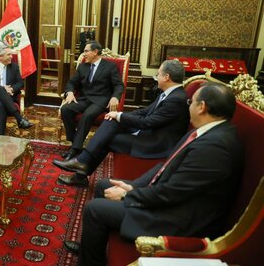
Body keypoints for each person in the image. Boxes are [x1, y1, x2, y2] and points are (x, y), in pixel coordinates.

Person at [63, 82, 243, 266]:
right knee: (104, 186)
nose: (188, 105)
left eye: (191, 102)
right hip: (174, 200)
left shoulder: (215, 147)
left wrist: (128, 194)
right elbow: (165, 166)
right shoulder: (208, 132)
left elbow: (172, 193)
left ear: (202, 107)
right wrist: (133, 186)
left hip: (179, 219)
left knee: (95, 209)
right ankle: (91, 248)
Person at [54, 59, 189, 187]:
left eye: (158, 74)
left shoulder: (176, 99)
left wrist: (120, 116)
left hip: (156, 144)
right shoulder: (170, 94)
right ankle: (81, 164)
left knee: (109, 137)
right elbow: (144, 112)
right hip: (150, 133)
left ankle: (81, 168)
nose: (156, 76)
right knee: (112, 122)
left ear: (166, 77)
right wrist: (119, 116)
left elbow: (148, 122)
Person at [60, 41, 124, 161]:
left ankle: (74, 149)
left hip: (101, 100)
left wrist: (115, 97)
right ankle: (75, 143)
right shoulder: (83, 66)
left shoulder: (109, 67)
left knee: (88, 115)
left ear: (95, 52)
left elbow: (119, 85)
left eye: (86, 51)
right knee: (65, 109)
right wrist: (69, 92)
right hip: (84, 99)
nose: (83, 54)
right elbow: (72, 83)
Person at [0, 45, 33, 135]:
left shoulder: (14, 67)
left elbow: (20, 83)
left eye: (11, 54)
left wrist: (11, 88)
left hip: (6, 97)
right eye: (9, 55)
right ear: (0, 56)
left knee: (1, 104)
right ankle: (19, 118)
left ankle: (0, 137)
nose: (11, 56)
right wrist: (3, 88)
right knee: (0, 89)